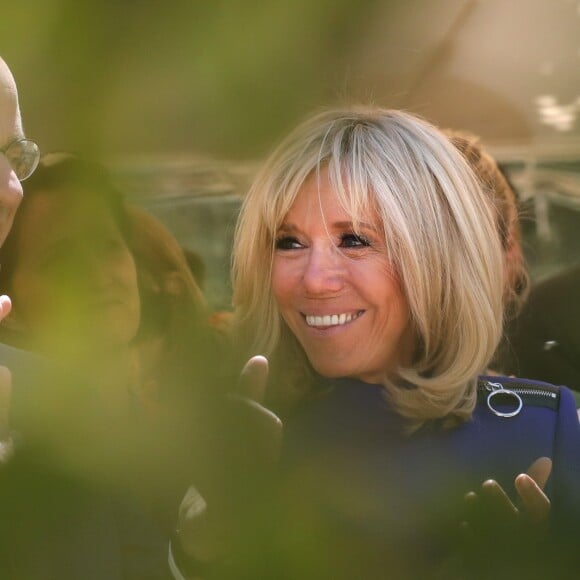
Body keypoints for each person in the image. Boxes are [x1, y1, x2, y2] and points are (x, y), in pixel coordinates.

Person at [226, 106, 580, 578]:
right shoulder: (240, 433)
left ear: (437, 258)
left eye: (353, 239)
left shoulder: (553, 432)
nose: (313, 280)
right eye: (289, 242)